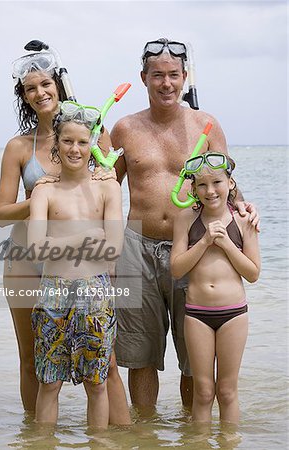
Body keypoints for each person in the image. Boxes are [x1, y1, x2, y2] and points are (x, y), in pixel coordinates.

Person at [111, 38, 259, 413]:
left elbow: (227, 183)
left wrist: (246, 210)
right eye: (157, 75)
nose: (166, 83)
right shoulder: (125, 128)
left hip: (195, 246)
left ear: (184, 77)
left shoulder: (206, 124)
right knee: (140, 353)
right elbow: (107, 189)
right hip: (135, 246)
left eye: (173, 75)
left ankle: (193, 438)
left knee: (195, 357)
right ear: (143, 78)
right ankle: (147, 435)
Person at [0, 44, 131, 425]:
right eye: (30, 88)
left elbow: (107, 196)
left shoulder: (91, 134)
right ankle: (35, 437)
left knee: (108, 362)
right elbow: (2, 214)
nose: (40, 93)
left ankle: (125, 440)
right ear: (24, 96)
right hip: (26, 258)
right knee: (32, 359)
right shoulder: (18, 147)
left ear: (59, 84)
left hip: (88, 264)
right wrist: (46, 192)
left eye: (46, 83)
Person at [27, 102, 125, 427]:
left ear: (92, 145)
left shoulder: (108, 188)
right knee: (49, 382)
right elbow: (36, 249)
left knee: (96, 383)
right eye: (67, 141)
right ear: (56, 144)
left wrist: (62, 244)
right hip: (52, 294)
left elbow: (113, 248)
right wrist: (86, 237)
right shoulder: (45, 191)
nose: (75, 149)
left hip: (96, 294)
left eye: (83, 142)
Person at [170, 151, 260, 424]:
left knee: (227, 391)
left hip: (233, 313)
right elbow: (176, 269)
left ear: (230, 184)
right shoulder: (186, 219)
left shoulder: (244, 220)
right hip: (197, 314)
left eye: (217, 182)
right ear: (193, 189)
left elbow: (253, 273)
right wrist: (205, 240)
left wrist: (226, 244)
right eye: (202, 185)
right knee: (204, 392)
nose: (210, 191)